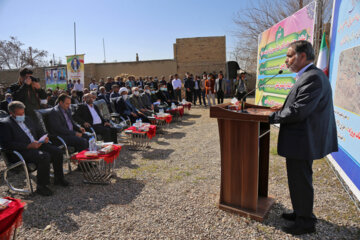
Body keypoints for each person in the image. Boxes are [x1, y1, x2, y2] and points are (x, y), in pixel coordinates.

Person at [269, 40, 338, 235]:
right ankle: (301, 212)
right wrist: (282, 109)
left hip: (303, 141)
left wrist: (271, 117)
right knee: (298, 180)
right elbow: (299, 105)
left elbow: (299, 112)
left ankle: (306, 222)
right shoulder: (308, 76)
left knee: (301, 181)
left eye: (290, 55)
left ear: (302, 56)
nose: (287, 60)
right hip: (301, 140)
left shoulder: (312, 77)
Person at [0, 101, 69, 196]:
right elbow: (6, 144)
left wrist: (44, 137)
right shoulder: (5, 124)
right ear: (12, 113)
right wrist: (28, 146)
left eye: (23, 112)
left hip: (37, 144)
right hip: (22, 150)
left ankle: (58, 178)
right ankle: (41, 186)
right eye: (19, 114)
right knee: (44, 156)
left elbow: (39, 131)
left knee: (57, 151)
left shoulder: (27, 119)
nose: (22, 115)